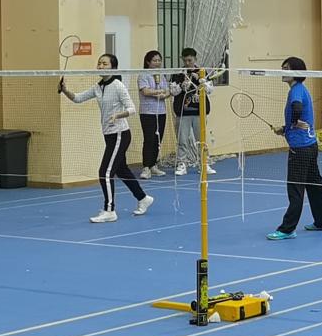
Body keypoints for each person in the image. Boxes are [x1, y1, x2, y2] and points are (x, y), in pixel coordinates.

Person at [59, 52, 152, 223]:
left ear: (113, 68)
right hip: (108, 135)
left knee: (105, 173)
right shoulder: (98, 87)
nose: (101, 66)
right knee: (121, 170)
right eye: (99, 63)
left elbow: (131, 108)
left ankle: (109, 210)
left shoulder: (118, 86)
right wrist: (65, 90)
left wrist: (118, 115)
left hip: (120, 134)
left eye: (105, 64)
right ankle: (143, 198)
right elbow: (78, 98)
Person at [269, 57, 322, 241]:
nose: (282, 71)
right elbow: (299, 115)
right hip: (310, 146)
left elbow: (297, 108)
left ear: (296, 71)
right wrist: (285, 128)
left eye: (286, 68)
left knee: (295, 189)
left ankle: (287, 229)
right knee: (315, 185)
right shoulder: (301, 89)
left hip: (300, 149)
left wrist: (294, 123)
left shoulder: (296, 91)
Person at [173, 47, 216, 176]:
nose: (187, 63)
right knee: (182, 140)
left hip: (199, 112)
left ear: (195, 59)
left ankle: (204, 164)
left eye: (190, 60)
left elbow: (210, 90)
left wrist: (203, 82)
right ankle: (182, 164)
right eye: (185, 60)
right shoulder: (178, 73)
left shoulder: (202, 72)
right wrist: (181, 86)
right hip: (183, 112)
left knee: (201, 140)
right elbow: (173, 91)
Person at [137, 49, 171, 177]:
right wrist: (158, 92)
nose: (157, 63)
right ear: (148, 62)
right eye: (154, 60)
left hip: (161, 111)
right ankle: (146, 167)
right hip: (147, 112)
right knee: (149, 139)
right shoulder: (143, 75)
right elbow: (145, 91)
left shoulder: (161, 75)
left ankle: (153, 165)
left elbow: (167, 91)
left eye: (159, 60)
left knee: (158, 139)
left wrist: (164, 95)